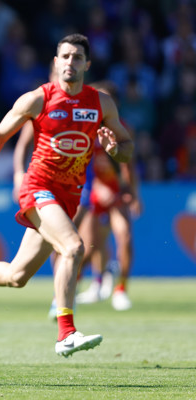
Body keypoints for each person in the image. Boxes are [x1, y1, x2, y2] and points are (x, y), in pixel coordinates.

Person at [0, 34, 133, 357]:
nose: (70, 62)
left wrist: (116, 149)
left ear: (87, 64)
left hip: (68, 197)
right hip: (38, 188)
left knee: (17, 276)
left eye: (77, 57)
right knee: (73, 247)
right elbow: (0, 135)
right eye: (65, 56)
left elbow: (127, 148)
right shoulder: (38, 99)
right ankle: (66, 333)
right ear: (56, 62)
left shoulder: (101, 103)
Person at [75, 81, 142, 311]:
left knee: (125, 237)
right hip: (93, 193)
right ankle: (76, 287)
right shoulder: (83, 127)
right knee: (87, 247)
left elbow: (129, 165)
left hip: (116, 194)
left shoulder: (123, 128)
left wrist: (133, 194)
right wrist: (94, 188)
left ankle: (120, 290)